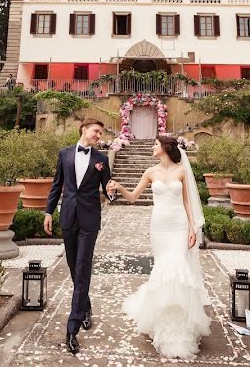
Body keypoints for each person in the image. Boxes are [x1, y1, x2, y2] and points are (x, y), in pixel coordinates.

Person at [107, 135, 210, 360]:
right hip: (159, 227)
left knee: (178, 268)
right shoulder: (150, 172)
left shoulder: (181, 171)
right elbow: (134, 197)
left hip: (179, 225)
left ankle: (180, 327)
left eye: (156, 144)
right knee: (163, 269)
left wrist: (192, 227)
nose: (153, 147)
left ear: (165, 148)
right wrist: (119, 187)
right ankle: (161, 320)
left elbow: (187, 202)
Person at [44, 118, 113, 355]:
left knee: (83, 267)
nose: (98, 136)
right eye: (96, 131)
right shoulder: (64, 154)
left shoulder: (101, 160)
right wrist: (48, 212)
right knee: (74, 266)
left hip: (90, 220)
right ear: (84, 129)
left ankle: (72, 330)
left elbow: (107, 189)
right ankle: (85, 306)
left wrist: (112, 192)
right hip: (68, 217)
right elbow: (57, 185)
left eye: (101, 133)